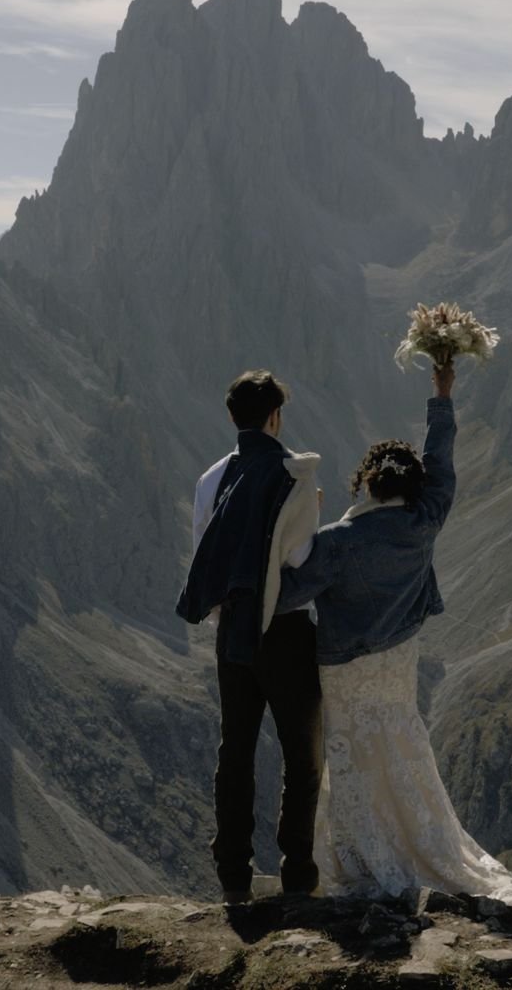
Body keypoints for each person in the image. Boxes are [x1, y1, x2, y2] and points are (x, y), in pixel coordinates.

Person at [275, 361, 512, 911]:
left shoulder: (336, 542)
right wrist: (442, 392)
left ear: (365, 481)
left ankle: (359, 856)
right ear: (410, 485)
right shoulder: (425, 521)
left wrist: (287, 534)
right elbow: (441, 461)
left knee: (350, 756)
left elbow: (289, 595)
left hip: (342, 665)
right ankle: (425, 845)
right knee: (402, 741)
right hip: (398, 660)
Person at [176, 370, 324, 902]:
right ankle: (297, 869)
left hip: (233, 632)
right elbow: (301, 561)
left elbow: (204, 554)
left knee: (235, 748)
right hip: (285, 632)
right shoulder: (293, 474)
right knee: (301, 753)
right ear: (275, 416)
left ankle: (234, 873)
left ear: (232, 416)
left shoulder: (211, 479)